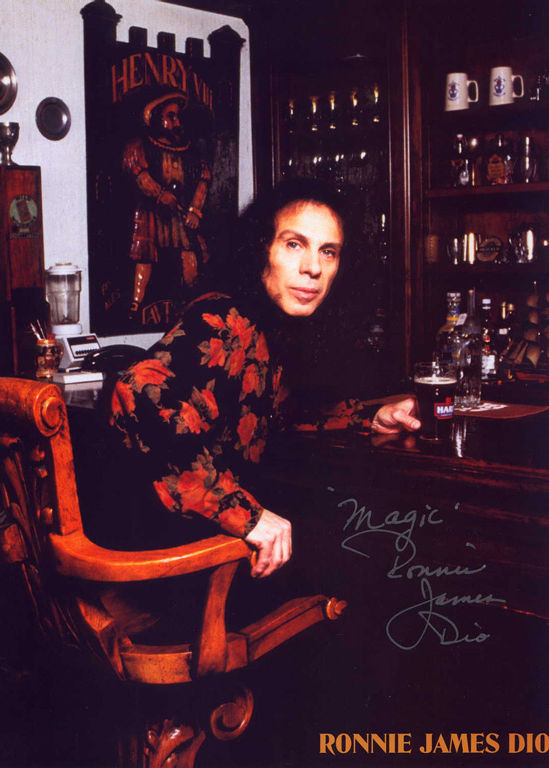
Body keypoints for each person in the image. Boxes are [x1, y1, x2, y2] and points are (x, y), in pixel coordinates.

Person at [110, 180, 420, 579]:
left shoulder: (272, 328)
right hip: (176, 562)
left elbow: (279, 414)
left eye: (328, 251)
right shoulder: (226, 320)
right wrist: (244, 514)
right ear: (260, 250)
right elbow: (137, 391)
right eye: (294, 244)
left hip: (212, 553)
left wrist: (370, 418)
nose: (313, 268)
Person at [122, 91, 211, 317]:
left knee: (188, 251)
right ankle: (136, 302)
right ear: (156, 118)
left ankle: (193, 299)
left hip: (179, 210)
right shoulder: (141, 146)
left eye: (177, 116)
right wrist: (160, 193)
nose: (176, 122)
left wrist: (195, 210)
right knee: (144, 255)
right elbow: (140, 176)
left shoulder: (190, 151)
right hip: (150, 210)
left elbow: (202, 182)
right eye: (171, 116)